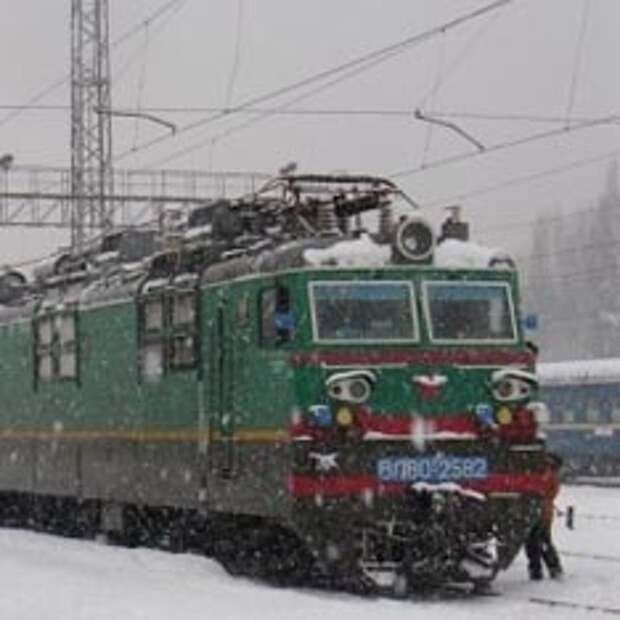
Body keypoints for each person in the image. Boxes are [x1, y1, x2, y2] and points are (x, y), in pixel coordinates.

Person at [525, 453, 564, 580]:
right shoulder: (551, 474)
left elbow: (547, 492)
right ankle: (549, 568)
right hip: (542, 512)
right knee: (538, 541)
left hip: (540, 512)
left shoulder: (549, 475)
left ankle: (540, 570)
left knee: (536, 541)